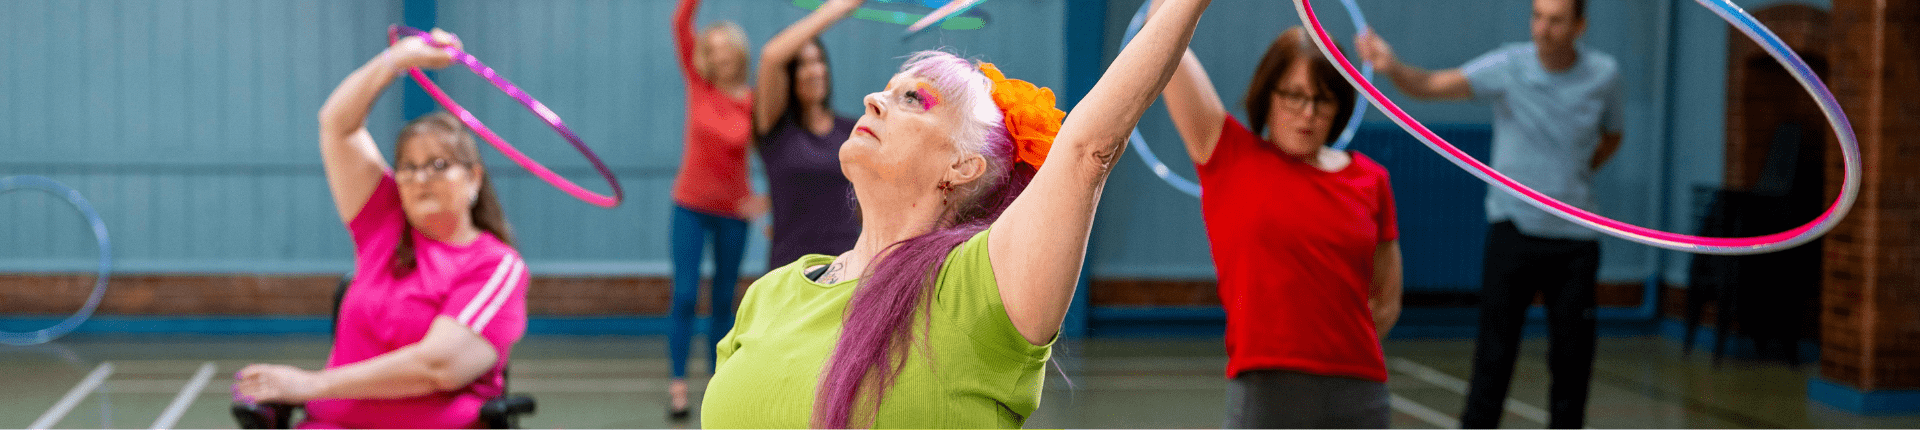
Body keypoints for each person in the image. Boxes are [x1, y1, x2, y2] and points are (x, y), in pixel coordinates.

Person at [697, 0, 1212, 427]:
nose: (873, 99)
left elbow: (1087, 150)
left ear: (963, 166)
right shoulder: (770, 295)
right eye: (887, 89)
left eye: (912, 99)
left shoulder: (981, 291)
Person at [232, 29, 529, 429]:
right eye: (408, 167)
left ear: (474, 178)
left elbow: (438, 366)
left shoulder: (495, 266)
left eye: (439, 165)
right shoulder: (383, 224)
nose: (421, 178)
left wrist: (309, 385)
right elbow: (336, 124)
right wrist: (397, 60)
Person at [1357, 0, 1622, 427]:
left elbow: (1612, 136)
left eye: (1555, 20)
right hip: (1512, 232)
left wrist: (1570, 177)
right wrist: (1392, 65)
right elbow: (1428, 85)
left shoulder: (1604, 75)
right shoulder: (1508, 66)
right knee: (1492, 360)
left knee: (1572, 367)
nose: (1542, 29)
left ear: (1579, 26)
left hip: (1576, 241)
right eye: (1537, 16)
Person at [1160, 14, 1403, 427]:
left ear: (1339, 106)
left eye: (1322, 99)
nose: (1307, 114)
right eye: (1293, 96)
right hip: (1265, 390)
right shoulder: (1228, 155)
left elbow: (1386, 300)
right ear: (1267, 94)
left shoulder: (1371, 179)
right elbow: (1165, 48)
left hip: (1359, 392)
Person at [664, 0, 763, 418]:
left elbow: (776, 155)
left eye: (727, 46)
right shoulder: (697, 85)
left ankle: (718, 382)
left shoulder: (753, 101)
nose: (720, 53)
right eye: (713, 45)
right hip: (689, 206)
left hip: (733, 215)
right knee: (685, 296)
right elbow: (681, 21)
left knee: (724, 299)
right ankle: (678, 383)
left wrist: (765, 200)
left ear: (739, 51)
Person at [751, 0, 863, 267]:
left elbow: (867, 207)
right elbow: (771, 56)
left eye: (819, 61)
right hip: (791, 272)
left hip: (846, 268)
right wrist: (839, 7)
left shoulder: (852, 130)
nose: (814, 71)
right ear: (788, 75)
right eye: (802, 64)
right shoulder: (775, 130)